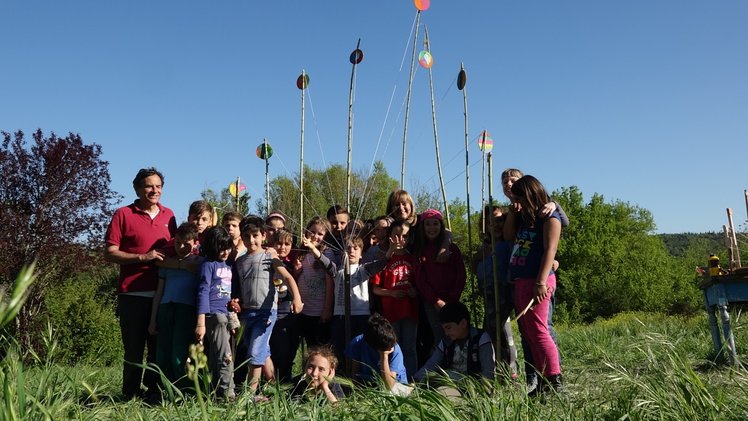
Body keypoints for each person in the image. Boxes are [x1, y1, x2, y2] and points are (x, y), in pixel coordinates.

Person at [104, 167, 176, 401]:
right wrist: (142, 257)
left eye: (158, 186)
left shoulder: (169, 215)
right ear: (137, 188)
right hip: (133, 293)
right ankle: (130, 393)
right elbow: (110, 253)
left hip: (164, 293)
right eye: (149, 186)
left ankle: (154, 391)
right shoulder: (123, 214)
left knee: (158, 348)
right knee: (134, 349)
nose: (154, 190)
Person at [501, 168, 567, 391]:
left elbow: (550, 250)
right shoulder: (526, 217)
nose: (517, 202)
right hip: (521, 278)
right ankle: (541, 378)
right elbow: (509, 236)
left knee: (540, 330)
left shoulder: (550, 217)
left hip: (538, 281)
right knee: (528, 332)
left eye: (520, 197)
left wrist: (540, 282)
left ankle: (554, 379)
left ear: (529, 194)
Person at [231, 216, 303, 395]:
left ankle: (249, 395)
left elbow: (287, 277)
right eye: (246, 237)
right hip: (248, 313)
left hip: (266, 313)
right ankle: (276, 390)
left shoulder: (270, 256)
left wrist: (297, 298)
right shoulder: (240, 262)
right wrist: (237, 301)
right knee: (263, 352)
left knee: (255, 353)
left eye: (255, 235)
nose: (251, 240)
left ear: (263, 235)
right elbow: (240, 288)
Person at [330, 235, 398, 373]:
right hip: (340, 315)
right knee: (338, 347)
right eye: (348, 248)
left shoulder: (364, 269)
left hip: (360, 315)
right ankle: (340, 377)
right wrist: (313, 249)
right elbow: (324, 262)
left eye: (356, 248)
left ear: (361, 253)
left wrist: (390, 250)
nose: (351, 251)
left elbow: (381, 263)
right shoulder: (337, 270)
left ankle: (358, 377)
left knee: (359, 347)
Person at [148, 223, 203, 390]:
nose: (181, 247)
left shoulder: (199, 263)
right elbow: (159, 292)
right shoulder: (167, 265)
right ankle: (164, 391)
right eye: (178, 242)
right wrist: (152, 319)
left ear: (195, 243)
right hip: (165, 308)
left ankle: (183, 391)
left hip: (185, 310)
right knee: (162, 354)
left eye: (186, 243)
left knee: (179, 355)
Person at [470, 205, 518, 378]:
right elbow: (476, 270)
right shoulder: (484, 250)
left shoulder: (508, 244)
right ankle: (496, 373)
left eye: (499, 220)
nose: (495, 225)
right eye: (490, 222)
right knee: (491, 337)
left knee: (505, 336)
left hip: (504, 299)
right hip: (489, 301)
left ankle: (511, 374)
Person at [370, 220, 419, 379]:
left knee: (410, 348)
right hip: (391, 312)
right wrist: (391, 293)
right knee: (391, 347)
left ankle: (411, 380)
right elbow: (375, 289)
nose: (400, 240)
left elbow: (421, 285)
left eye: (404, 236)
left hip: (410, 311)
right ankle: (393, 381)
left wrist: (414, 291)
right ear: (389, 236)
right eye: (396, 236)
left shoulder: (413, 258)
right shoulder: (384, 260)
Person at [412, 209, 467, 347]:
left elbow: (460, 274)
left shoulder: (452, 249)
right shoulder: (419, 250)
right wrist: (436, 301)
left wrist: (452, 299)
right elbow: (420, 279)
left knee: (457, 336)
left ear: (441, 226)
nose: (432, 228)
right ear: (422, 227)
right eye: (428, 224)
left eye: (435, 224)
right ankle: (442, 367)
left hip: (452, 301)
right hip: (432, 304)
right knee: (440, 338)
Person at [195, 226, 237, 401]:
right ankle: (229, 394)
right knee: (225, 356)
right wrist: (201, 322)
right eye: (221, 248)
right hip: (214, 315)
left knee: (218, 354)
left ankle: (213, 391)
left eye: (228, 247)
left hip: (227, 314)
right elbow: (202, 291)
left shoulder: (229, 264)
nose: (225, 252)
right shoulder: (208, 265)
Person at [414, 301, 496, 383]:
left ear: (463, 323)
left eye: (449, 328)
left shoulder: (481, 338)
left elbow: (488, 371)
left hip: (475, 388)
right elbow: (431, 365)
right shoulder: (446, 342)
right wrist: (415, 381)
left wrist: (483, 391)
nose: (446, 333)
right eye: (444, 329)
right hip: (451, 385)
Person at [344, 313, 412, 396]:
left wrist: (384, 356)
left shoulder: (395, 349)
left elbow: (389, 386)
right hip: (368, 384)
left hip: (395, 385)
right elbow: (355, 374)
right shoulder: (358, 343)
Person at [267, 228, 302, 382]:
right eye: (279, 243)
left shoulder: (292, 265)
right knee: (276, 350)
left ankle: (287, 382)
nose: (282, 247)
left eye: (287, 244)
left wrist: (297, 271)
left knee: (290, 350)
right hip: (274, 311)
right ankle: (274, 382)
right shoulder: (269, 262)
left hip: (290, 312)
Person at [296, 216, 336, 347]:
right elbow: (296, 278)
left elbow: (330, 281)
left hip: (320, 310)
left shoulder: (326, 253)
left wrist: (327, 308)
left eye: (320, 234)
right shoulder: (301, 252)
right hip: (305, 309)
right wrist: (296, 270)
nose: (315, 236)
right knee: (309, 345)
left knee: (321, 348)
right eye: (312, 231)